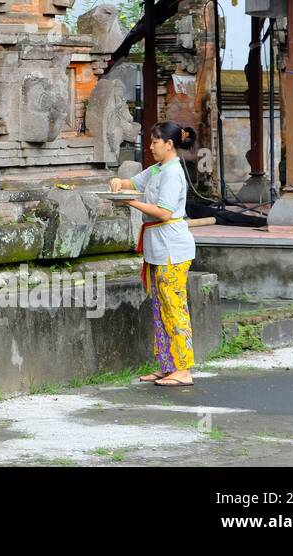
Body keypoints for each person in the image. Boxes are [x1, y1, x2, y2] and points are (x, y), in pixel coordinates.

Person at [109, 120, 198, 387]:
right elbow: (132, 182)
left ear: (169, 144)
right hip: (158, 247)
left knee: (174, 307)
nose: (150, 147)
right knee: (160, 308)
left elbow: (164, 212)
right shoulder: (158, 169)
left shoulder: (173, 173)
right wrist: (118, 183)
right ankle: (168, 365)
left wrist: (130, 202)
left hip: (172, 248)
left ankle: (183, 368)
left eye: (154, 142)